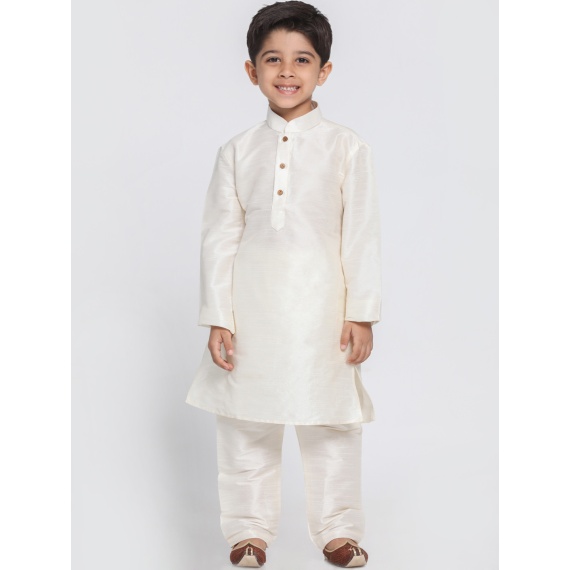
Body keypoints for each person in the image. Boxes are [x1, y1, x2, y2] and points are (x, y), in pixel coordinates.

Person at [185, 1, 382, 567]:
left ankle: (339, 532)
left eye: (303, 59)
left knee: (332, 421)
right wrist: (218, 316)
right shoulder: (237, 151)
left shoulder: (347, 147)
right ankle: (247, 533)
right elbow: (219, 238)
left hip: (324, 310)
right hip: (252, 310)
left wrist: (361, 311)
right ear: (252, 71)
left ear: (325, 70)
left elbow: (361, 233)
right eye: (273, 59)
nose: (287, 71)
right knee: (245, 421)